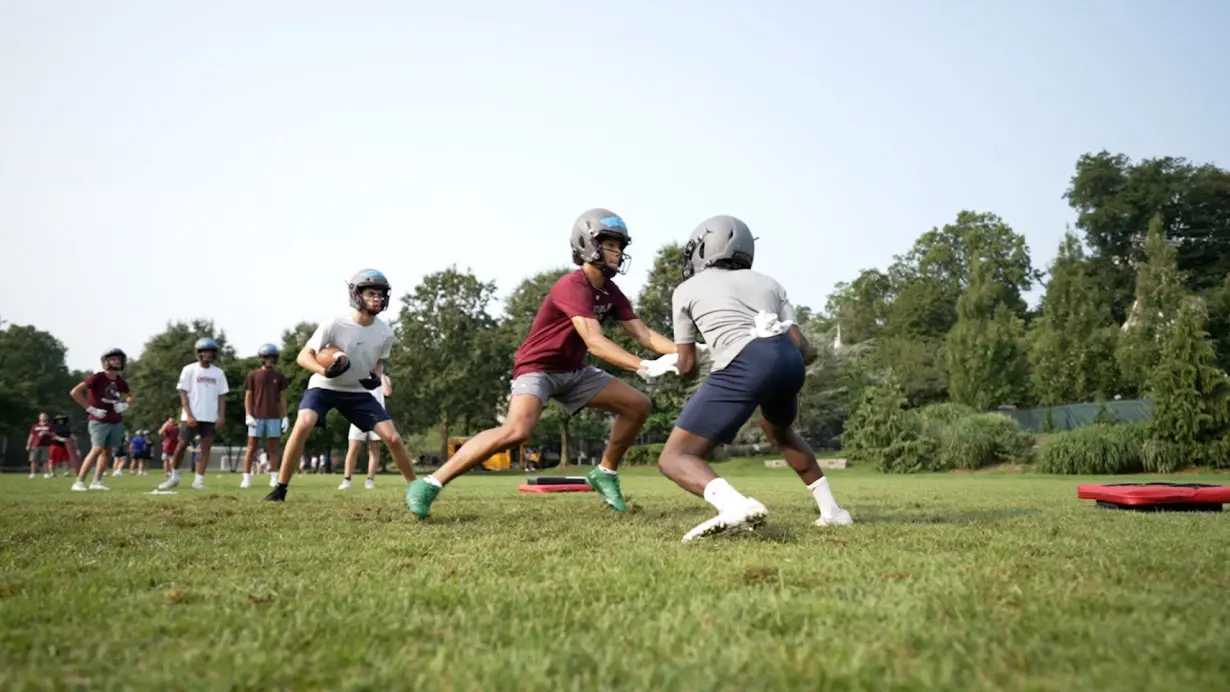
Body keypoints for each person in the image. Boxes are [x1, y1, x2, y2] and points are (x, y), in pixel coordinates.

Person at [405, 208, 679, 519]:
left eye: (620, 246)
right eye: (610, 244)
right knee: (517, 431)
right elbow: (595, 341)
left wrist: (689, 350)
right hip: (537, 368)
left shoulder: (611, 292)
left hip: (573, 370)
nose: (617, 252)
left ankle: (605, 472)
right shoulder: (572, 285)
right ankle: (429, 483)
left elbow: (643, 334)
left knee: (637, 405)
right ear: (587, 245)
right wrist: (645, 366)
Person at [659, 215, 852, 541]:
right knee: (778, 430)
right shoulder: (770, 283)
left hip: (746, 360)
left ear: (704, 247)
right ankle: (833, 511)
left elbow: (687, 365)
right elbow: (801, 348)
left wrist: (662, 364)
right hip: (788, 360)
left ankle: (734, 506)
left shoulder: (686, 289)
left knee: (675, 456)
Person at [264, 269, 418, 501]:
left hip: (357, 390)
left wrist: (376, 376)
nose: (377, 298)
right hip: (324, 386)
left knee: (393, 438)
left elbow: (378, 362)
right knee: (304, 424)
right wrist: (324, 369)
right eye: (371, 293)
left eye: (381, 293)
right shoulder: (335, 323)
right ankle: (280, 488)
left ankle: (416, 490)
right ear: (356, 294)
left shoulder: (385, 332)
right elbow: (303, 357)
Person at [157, 338, 230, 491]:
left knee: (205, 448)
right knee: (181, 446)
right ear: (198, 353)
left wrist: (221, 416)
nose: (207, 355)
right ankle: (174, 476)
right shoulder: (189, 369)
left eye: (210, 352)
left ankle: (199, 480)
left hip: (210, 417)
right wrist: (189, 415)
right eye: (204, 352)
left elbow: (221, 397)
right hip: (191, 416)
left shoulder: (218, 373)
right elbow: (183, 394)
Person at [69, 348, 132, 491]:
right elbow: (75, 392)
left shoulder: (120, 381)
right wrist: (91, 409)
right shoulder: (97, 377)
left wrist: (126, 405)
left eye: (118, 359)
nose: (116, 361)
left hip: (115, 420)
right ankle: (79, 482)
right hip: (99, 420)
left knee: (107, 451)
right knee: (96, 449)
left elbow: (130, 395)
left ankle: (96, 481)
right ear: (106, 361)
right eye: (113, 359)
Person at [241, 343, 289, 489]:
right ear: (261, 358)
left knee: (274, 449)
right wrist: (248, 414)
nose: (269, 360)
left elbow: (282, 398)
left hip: (274, 416)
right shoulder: (253, 375)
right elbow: (248, 396)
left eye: (272, 357)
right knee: (251, 448)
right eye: (267, 357)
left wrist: (285, 416)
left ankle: (274, 477)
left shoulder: (279, 376)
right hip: (256, 416)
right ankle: (246, 478)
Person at [339, 372, 392, 490]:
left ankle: (370, 480)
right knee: (354, 447)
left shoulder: (384, 378)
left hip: (377, 416)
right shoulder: (360, 374)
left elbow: (387, 392)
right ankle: (347, 480)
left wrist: (381, 376)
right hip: (359, 414)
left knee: (375, 447)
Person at [26, 413, 54, 478]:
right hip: (35, 445)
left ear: (47, 418)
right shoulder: (35, 426)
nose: (43, 417)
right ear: (39, 418)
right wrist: (28, 444)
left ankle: (46, 473)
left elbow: (53, 434)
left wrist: (46, 433)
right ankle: (32, 473)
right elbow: (31, 435)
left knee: (45, 460)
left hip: (46, 445)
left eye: (44, 416)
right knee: (33, 460)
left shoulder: (49, 426)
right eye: (42, 416)